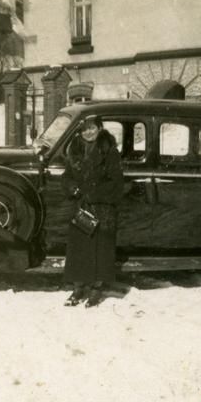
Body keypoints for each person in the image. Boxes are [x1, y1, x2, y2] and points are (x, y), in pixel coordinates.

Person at [61, 117, 124, 307]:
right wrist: (73, 188)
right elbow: (67, 177)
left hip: (101, 207)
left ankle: (97, 289)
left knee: (99, 250)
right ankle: (79, 288)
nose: (89, 132)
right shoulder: (75, 149)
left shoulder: (109, 150)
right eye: (85, 129)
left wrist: (93, 194)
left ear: (99, 128)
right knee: (79, 248)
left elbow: (117, 182)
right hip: (81, 207)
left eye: (92, 128)